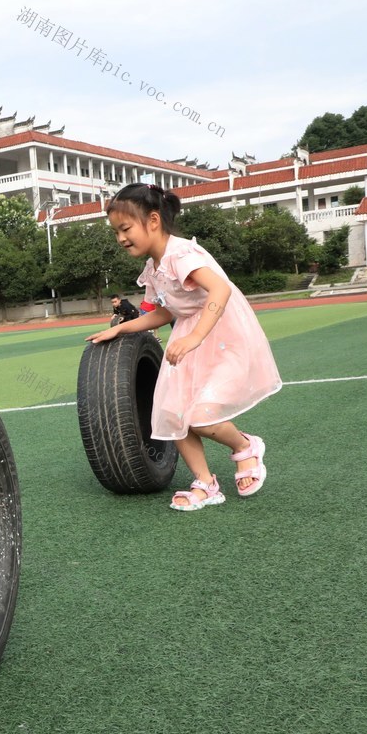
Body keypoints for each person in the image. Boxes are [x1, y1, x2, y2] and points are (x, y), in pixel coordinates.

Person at [86, 183, 282, 511]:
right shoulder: (153, 267)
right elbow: (164, 312)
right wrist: (120, 329)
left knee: (202, 417)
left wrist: (194, 338)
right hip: (190, 339)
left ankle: (245, 447)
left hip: (221, 334)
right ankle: (205, 482)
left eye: (125, 228)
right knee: (173, 413)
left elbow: (220, 290)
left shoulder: (181, 255)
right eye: (115, 232)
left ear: (152, 221)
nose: (120, 238)